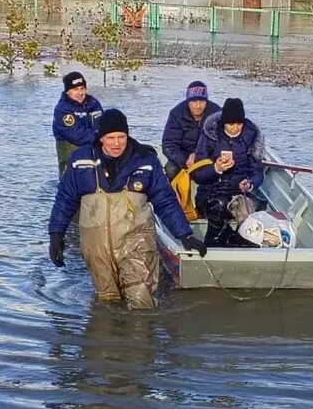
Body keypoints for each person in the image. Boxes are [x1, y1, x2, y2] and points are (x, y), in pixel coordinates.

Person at [48, 109, 207, 310]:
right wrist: (56, 235)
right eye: (111, 137)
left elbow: (165, 200)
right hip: (97, 248)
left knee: (142, 303)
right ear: (101, 138)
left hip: (136, 243)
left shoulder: (145, 161)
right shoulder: (80, 161)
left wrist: (185, 235)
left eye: (121, 137)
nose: (116, 143)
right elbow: (65, 200)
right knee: (107, 305)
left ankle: (142, 339)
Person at [190, 98, 267, 248]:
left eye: (239, 124)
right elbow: (198, 175)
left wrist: (250, 183)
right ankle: (212, 242)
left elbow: (257, 172)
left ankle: (241, 241)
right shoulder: (209, 137)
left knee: (246, 208)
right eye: (231, 124)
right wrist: (216, 169)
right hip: (211, 193)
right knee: (219, 204)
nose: (235, 128)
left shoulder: (251, 138)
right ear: (224, 122)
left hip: (239, 192)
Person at [161, 81, 221, 181]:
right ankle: (174, 195)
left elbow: (221, 141)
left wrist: (199, 156)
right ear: (188, 101)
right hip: (184, 155)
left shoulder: (216, 113)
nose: (198, 106)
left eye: (202, 101)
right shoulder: (176, 114)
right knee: (170, 169)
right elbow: (168, 144)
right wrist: (185, 161)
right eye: (194, 102)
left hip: (209, 155)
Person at [52, 71, 104, 175]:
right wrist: (101, 137)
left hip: (95, 155)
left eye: (82, 88)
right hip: (71, 158)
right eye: (75, 89)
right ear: (67, 91)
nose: (80, 93)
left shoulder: (93, 103)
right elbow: (77, 136)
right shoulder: (62, 110)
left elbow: (104, 124)